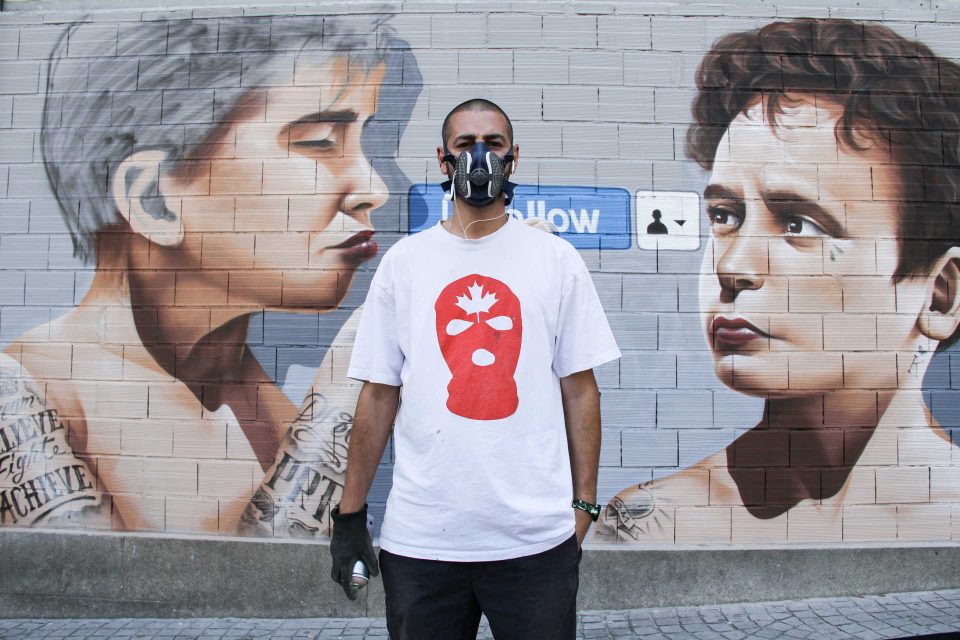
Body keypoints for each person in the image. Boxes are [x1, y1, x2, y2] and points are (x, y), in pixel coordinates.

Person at [0, 15, 413, 534]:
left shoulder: (244, 390)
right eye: (320, 141)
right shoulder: (20, 397)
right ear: (153, 199)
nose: (374, 188)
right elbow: (84, 587)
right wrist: (342, 390)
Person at [595, 18, 960, 545]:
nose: (732, 267)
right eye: (725, 215)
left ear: (941, 294)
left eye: (799, 224)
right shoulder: (654, 524)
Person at [329, 99, 621, 638]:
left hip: (534, 541)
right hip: (421, 543)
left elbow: (581, 389)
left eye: (494, 144)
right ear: (443, 159)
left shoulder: (555, 260)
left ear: (514, 157)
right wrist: (349, 517)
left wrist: (583, 507)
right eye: (465, 145)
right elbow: (378, 394)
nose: (480, 156)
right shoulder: (405, 264)